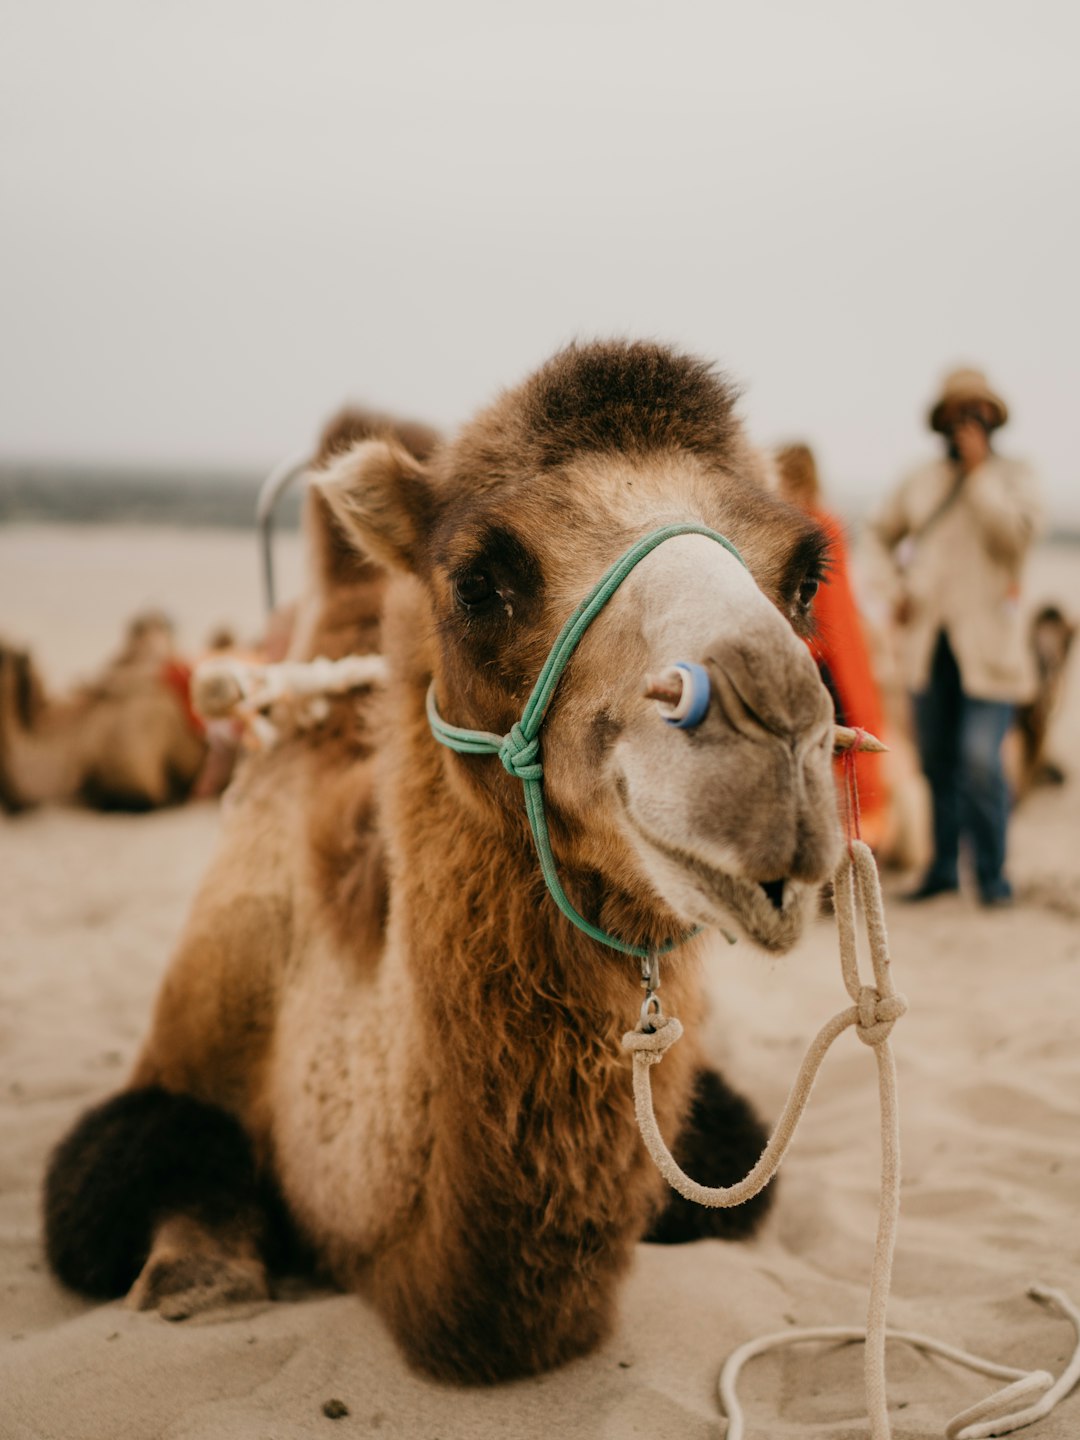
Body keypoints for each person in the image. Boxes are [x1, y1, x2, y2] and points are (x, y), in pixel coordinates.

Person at [868, 368, 1042, 906]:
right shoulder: (920, 480)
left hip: (989, 652)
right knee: (937, 760)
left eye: (976, 412)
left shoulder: (1016, 477)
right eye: (957, 413)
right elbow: (877, 533)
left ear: (992, 418)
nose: (966, 422)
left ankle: (992, 879)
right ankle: (942, 870)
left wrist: (981, 474)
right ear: (941, 420)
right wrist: (893, 586)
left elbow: (1016, 538)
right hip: (927, 647)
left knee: (980, 761)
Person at [775, 443, 891, 850]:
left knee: (821, 750)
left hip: (815, 657)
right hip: (814, 655)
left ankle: (838, 840)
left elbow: (833, 604)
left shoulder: (814, 528)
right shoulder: (815, 525)